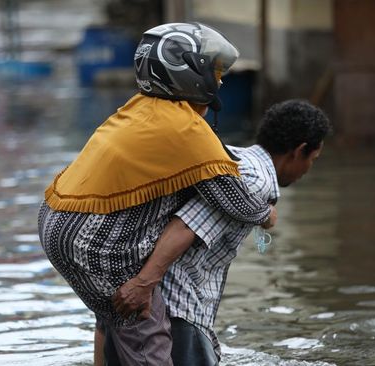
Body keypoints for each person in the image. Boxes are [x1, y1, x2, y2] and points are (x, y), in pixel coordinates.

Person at [37, 22, 276, 365]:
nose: (219, 80)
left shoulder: (141, 107)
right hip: (98, 240)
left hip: (56, 223)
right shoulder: (187, 128)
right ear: (189, 74)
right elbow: (233, 198)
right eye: (214, 70)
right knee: (148, 337)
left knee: (113, 317)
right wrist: (267, 214)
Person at [109, 99, 331, 365]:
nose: (309, 170)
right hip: (176, 305)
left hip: (140, 300)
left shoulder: (234, 157)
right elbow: (185, 225)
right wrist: (144, 284)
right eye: (314, 160)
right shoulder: (255, 181)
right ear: (300, 151)